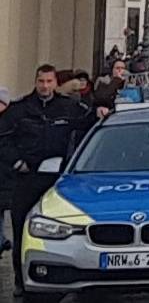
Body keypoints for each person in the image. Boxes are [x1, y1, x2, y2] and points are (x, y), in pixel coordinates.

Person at [1, 66, 91, 287]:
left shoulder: (68, 107)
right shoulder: (19, 109)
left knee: (60, 227)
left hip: (56, 180)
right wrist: (17, 162)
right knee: (22, 228)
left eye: (49, 81)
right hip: (26, 177)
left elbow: (88, 124)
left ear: (55, 83)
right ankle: (22, 282)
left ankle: (57, 274)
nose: (45, 86)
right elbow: (2, 139)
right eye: (41, 81)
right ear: (36, 82)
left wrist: (101, 110)